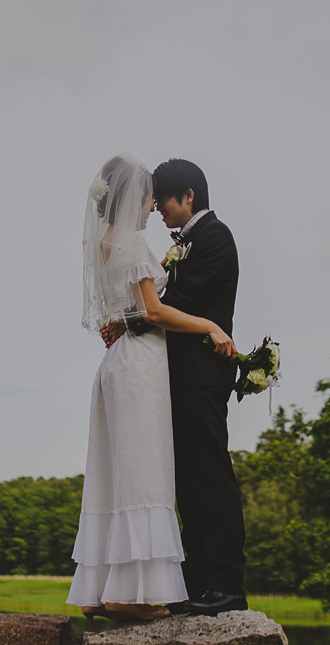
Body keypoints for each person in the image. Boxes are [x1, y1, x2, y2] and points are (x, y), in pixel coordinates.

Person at [67, 154, 236, 623]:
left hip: (119, 367)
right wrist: (210, 326)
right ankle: (131, 594)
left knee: (115, 474)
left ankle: (102, 589)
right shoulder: (134, 243)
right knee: (145, 475)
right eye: (148, 199)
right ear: (129, 202)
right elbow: (157, 311)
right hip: (139, 369)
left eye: (159, 199)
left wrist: (124, 320)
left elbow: (136, 309)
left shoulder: (105, 242)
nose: (154, 209)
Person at [150, 157, 249, 615]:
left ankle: (227, 583)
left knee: (210, 478)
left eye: (162, 200)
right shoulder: (190, 240)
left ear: (188, 196)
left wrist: (137, 314)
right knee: (188, 484)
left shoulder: (214, 237)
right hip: (180, 378)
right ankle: (198, 582)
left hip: (202, 377)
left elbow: (184, 302)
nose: (156, 209)